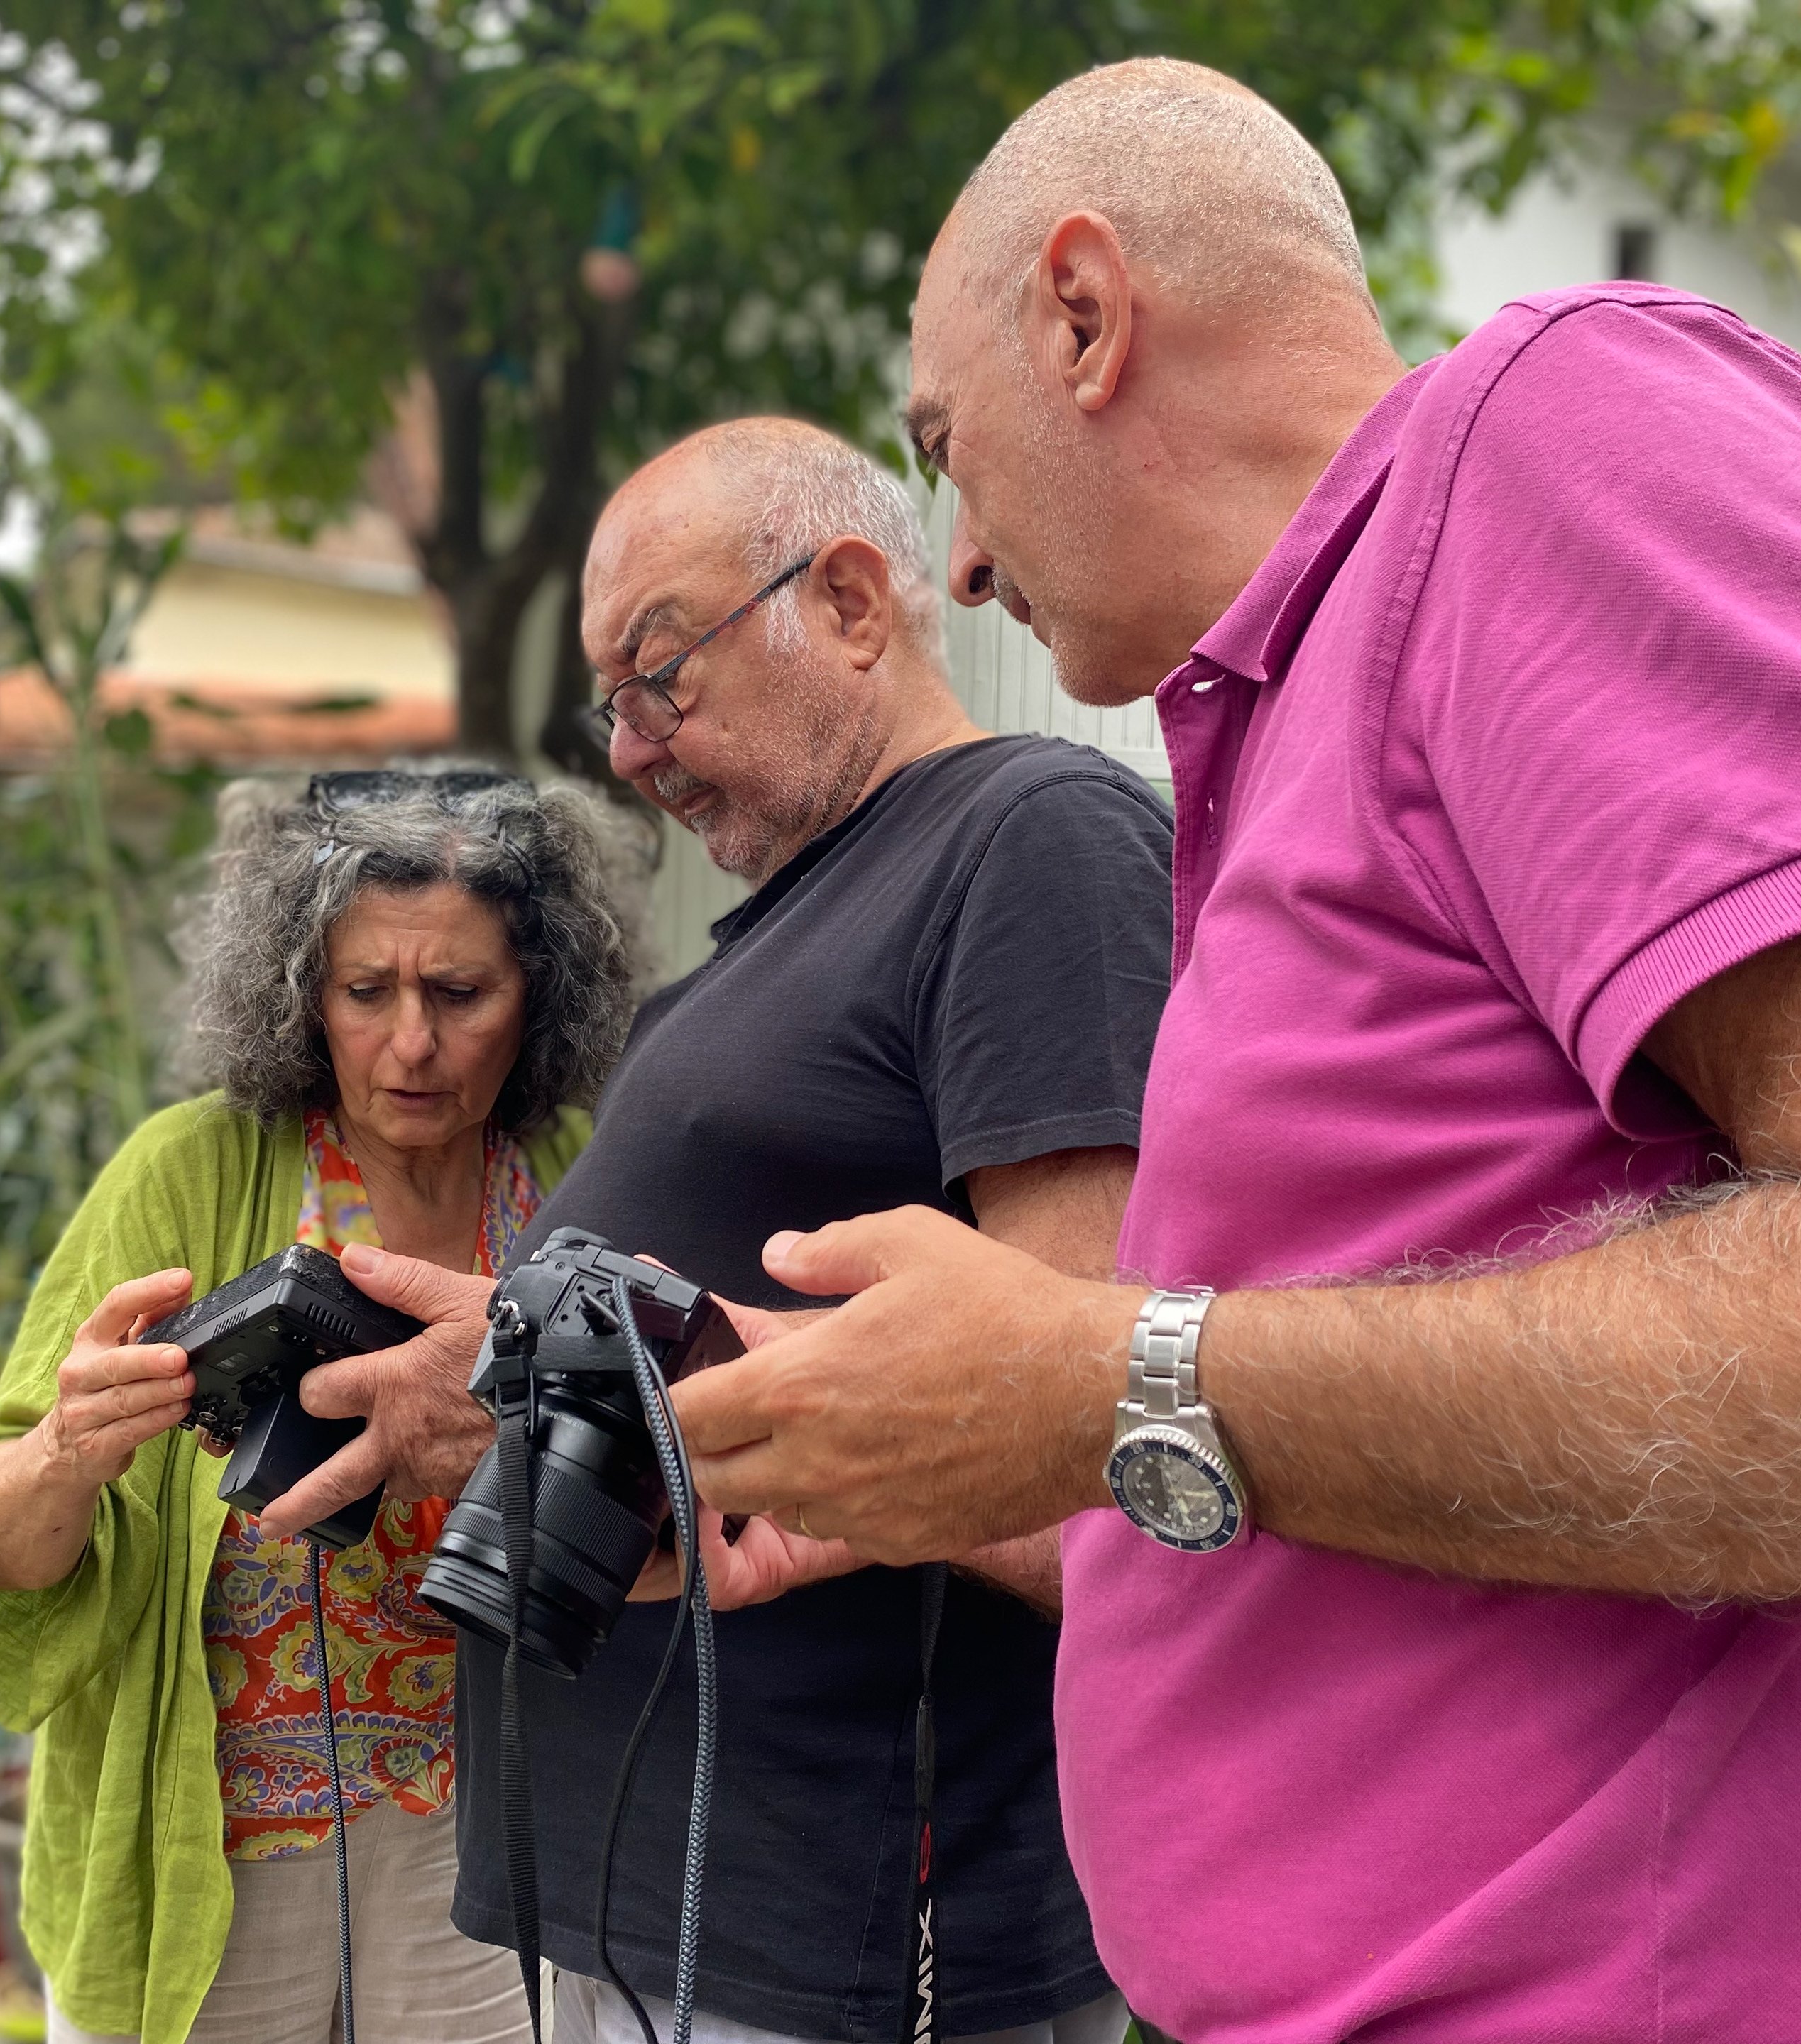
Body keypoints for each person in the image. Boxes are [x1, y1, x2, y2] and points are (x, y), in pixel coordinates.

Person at [661, 57, 1801, 2044]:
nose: (959, 555)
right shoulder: (1309, 696)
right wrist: (947, 1446)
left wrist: (1119, 1375)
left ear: (1086, 315)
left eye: (948, 448)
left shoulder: (1557, 436)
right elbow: (1371, 1460)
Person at [263, 418, 1164, 2044]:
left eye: (660, 672)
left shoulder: (1030, 837)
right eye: (610, 702)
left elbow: (1090, 1452)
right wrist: (507, 1369)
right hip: (663, 1917)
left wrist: (589, 1398)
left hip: (835, 1938)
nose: (630, 749)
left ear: (850, 603)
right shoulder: (787, 929)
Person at [0, 766, 647, 2044]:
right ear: (303, 990)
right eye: (367, 992)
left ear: (542, 994)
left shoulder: (575, 1176)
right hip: (214, 1841)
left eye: (461, 993)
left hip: (487, 1833)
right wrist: (67, 1452)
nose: (411, 1043)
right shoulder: (189, 1169)